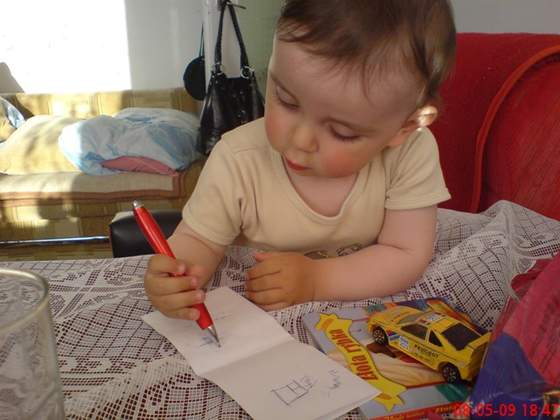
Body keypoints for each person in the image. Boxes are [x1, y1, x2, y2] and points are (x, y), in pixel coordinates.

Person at [144, 0, 456, 320]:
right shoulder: (237, 159)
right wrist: (179, 277)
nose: (300, 140)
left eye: (341, 132)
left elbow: (405, 254)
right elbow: (198, 240)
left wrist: (316, 279)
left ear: (404, 127)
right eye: (287, 101)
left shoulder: (410, 153)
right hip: (259, 318)